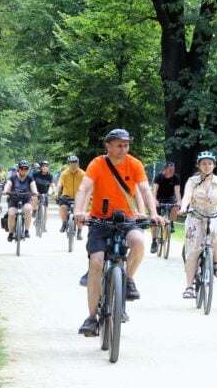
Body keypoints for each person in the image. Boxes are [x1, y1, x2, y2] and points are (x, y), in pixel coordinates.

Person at [73, 128, 162, 336]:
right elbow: (84, 189)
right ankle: (92, 317)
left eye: (127, 145)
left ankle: (128, 279)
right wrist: (79, 211)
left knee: (139, 241)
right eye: (119, 145)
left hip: (126, 219)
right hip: (100, 220)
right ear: (108, 146)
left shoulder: (135, 164)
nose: (124, 149)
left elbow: (145, 190)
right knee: (96, 262)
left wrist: (154, 213)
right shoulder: (97, 164)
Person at [178, 151, 217, 298]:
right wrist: (183, 207)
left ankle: (216, 261)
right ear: (198, 165)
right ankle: (189, 287)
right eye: (204, 163)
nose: (207, 166)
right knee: (192, 250)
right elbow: (187, 195)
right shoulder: (193, 181)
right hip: (195, 214)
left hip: (214, 214)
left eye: (210, 163)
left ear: (214, 165)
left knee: (216, 236)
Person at [150, 161, 182, 253]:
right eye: (170, 170)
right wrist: (154, 200)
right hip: (159, 198)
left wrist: (179, 201)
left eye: (173, 170)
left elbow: (177, 191)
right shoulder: (159, 176)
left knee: (176, 206)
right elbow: (155, 189)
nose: (172, 171)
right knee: (154, 220)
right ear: (165, 169)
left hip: (169, 198)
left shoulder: (176, 177)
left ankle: (171, 223)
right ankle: (153, 241)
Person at [3, 160, 38, 241]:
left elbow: (33, 186)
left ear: (28, 169)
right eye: (21, 168)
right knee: (11, 214)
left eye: (26, 168)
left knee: (28, 209)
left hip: (26, 198)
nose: (23, 170)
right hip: (14, 198)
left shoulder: (30, 178)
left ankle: (26, 230)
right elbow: (8, 184)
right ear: (18, 168)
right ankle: (11, 233)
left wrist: (35, 192)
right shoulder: (13, 177)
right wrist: (5, 191)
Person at [57, 155, 85, 239]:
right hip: (66, 196)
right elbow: (59, 184)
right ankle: (64, 223)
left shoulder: (83, 173)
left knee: (79, 215)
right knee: (63, 208)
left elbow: (87, 185)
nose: (73, 166)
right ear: (68, 164)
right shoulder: (64, 173)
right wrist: (56, 193)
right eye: (71, 164)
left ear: (78, 164)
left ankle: (79, 232)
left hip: (79, 197)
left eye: (75, 164)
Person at [31, 161, 55, 229]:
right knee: (34, 198)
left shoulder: (50, 176)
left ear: (48, 167)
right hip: (37, 192)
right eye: (43, 166)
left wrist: (53, 191)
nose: (45, 167)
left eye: (46, 166)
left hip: (45, 193)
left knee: (46, 209)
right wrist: (33, 191)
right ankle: (35, 210)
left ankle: (44, 225)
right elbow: (32, 183)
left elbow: (52, 184)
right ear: (41, 167)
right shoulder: (36, 174)